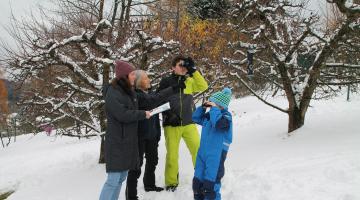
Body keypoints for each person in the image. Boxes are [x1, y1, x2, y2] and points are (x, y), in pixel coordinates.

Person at [99, 60, 184, 200]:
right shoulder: (113, 93)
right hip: (117, 142)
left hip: (127, 142)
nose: (134, 76)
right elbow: (122, 114)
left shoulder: (128, 92)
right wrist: (142, 114)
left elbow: (151, 100)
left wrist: (172, 89)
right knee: (113, 181)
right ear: (124, 75)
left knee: (120, 178)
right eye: (132, 74)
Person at [157, 56, 208, 191]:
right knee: (172, 155)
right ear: (173, 68)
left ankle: (201, 177)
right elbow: (158, 100)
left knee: (197, 150)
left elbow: (204, 86)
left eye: (184, 66)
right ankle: (171, 182)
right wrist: (169, 115)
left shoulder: (189, 80)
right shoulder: (166, 81)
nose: (183, 68)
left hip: (189, 122)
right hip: (172, 124)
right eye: (180, 65)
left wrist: (193, 70)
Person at [125, 70, 165, 200]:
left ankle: (149, 184)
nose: (149, 80)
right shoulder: (136, 96)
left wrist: (158, 133)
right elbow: (150, 104)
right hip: (139, 136)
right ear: (138, 82)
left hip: (152, 134)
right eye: (146, 78)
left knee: (153, 160)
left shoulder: (151, 94)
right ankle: (131, 196)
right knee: (136, 166)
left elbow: (155, 114)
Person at [191, 88, 233, 200]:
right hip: (202, 154)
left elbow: (218, 124)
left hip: (216, 155)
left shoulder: (226, 117)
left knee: (210, 186)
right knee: (197, 184)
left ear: (221, 106)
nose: (211, 106)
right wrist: (203, 108)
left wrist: (214, 108)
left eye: (214, 104)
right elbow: (195, 118)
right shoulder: (210, 116)